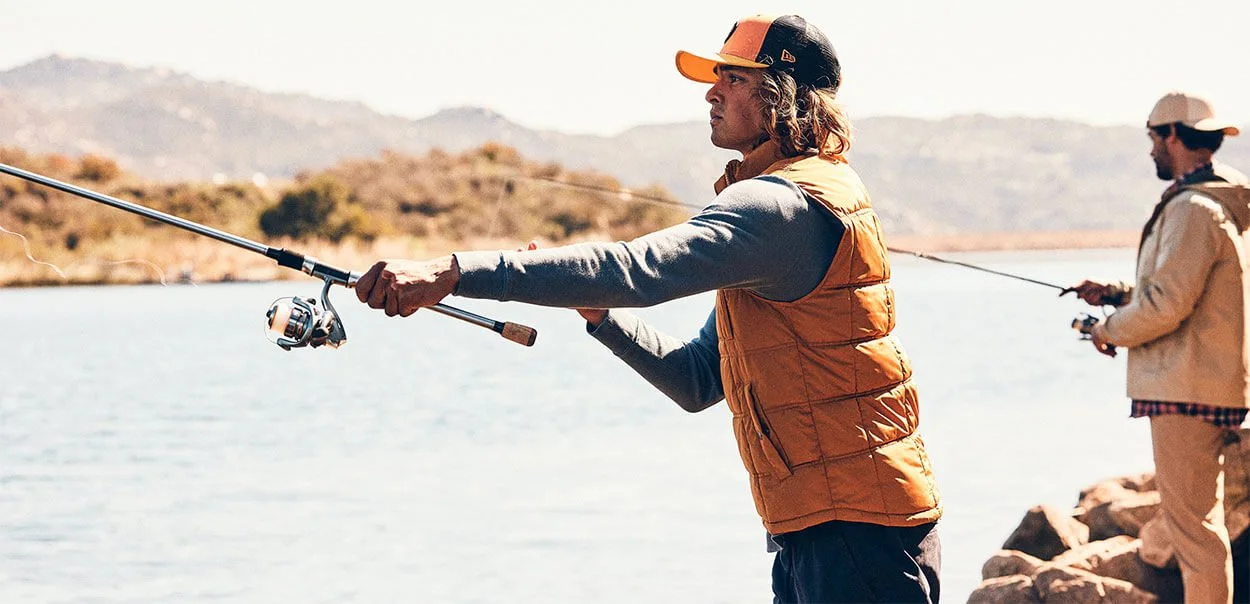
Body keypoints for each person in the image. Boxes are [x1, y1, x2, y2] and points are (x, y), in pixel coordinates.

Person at [355, 14, 942, 603]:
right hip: (823, 529)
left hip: (856, 534)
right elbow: (697, 380)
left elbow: (635, 270)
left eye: (733, 79)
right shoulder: (792, 202)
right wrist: (602, 317)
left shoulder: (780, 207)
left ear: (783, 95)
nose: (711, 92)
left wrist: (451, 272)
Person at [1069, 91, 1250, 604]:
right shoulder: (1212, 203)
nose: (1150, 149)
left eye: (1153, 137)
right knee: (1200, 528)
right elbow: (1183, 295)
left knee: (1194, 533)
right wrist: (1115, 295)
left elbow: (1167, 307)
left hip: (1187, 390)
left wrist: (1104, 330)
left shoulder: (1195, 208)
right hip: (1203, 383)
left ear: (1173, 135)